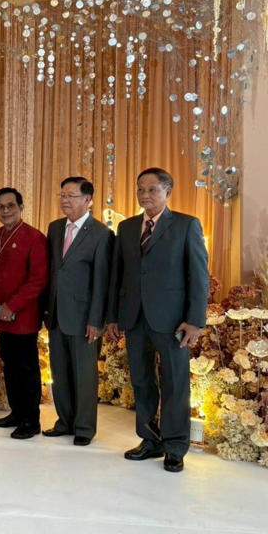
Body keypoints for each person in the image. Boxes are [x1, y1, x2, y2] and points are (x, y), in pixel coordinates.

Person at [106, 167, 209, 473]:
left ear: (167, 192)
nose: (145, 195)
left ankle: (175, 446)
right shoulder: (126, 227)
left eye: (152, 189)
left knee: (175, 382)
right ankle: (150, 439)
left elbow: (198, 276)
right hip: (134, 317)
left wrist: (195, 320)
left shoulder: (186, 225)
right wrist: (113, 316)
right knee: (141, 380)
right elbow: (117, 276)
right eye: (141, 189)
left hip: (173, 320)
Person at [44, 177, 113, 446]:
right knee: (59, 373)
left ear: (88, 200)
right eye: (62, 195)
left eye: (71, 196)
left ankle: (84, 427)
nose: (65, 200)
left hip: (85, 318)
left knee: (84, 376)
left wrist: (97, 320)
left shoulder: (101, 234)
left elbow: (102, 281)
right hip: (56, 314)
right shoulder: (55, 228)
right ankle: (65, 421)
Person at [0, 187, 48, 439]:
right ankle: (17, 413)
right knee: (10, 365)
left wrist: (12, 306)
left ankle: (31, 421)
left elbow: (38, 280)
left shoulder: (35, 238)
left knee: (26, 369)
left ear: (21, 207)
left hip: (23, 316)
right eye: (0, 207)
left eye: (10, 205)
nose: (6, 211)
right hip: (1, 316)